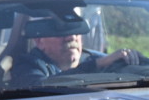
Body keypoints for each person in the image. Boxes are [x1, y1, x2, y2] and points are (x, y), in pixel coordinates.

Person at [9, 22, 140, 88]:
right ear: (39, 41)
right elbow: (41, 87)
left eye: (77, 32)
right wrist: (97, 65)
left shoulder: (95, 59)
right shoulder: (27, 66)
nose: (71, 37)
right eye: (61, 32)